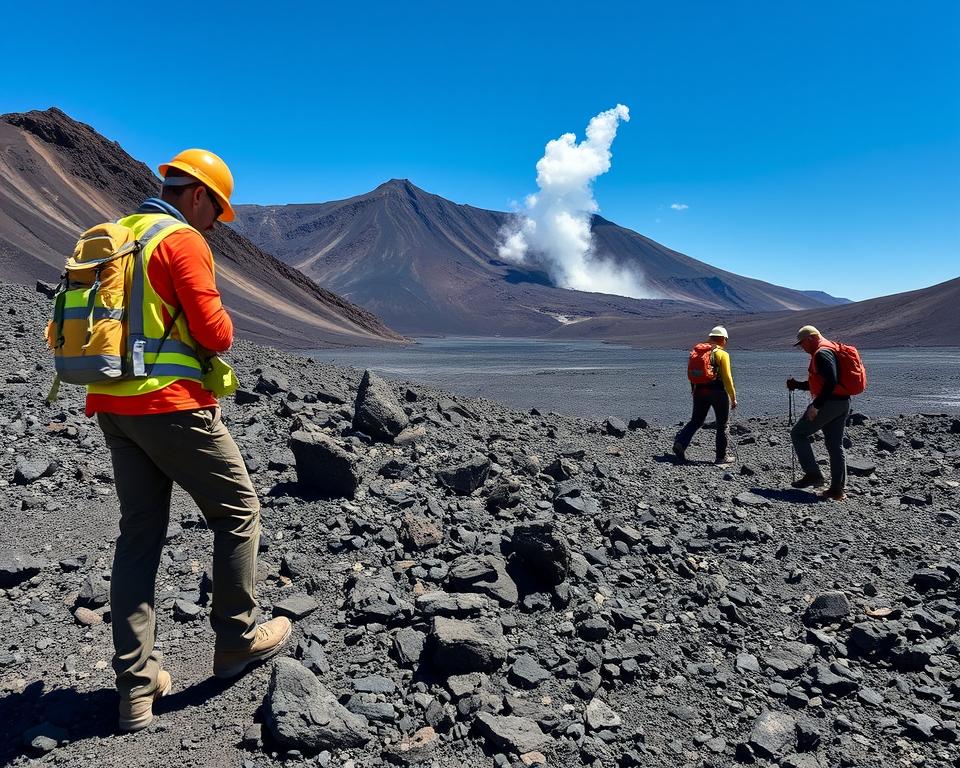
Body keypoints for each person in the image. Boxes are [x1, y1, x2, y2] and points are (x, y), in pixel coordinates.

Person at [87, 149, 291, 732]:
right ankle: (237, 640)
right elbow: (214, 334)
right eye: (216, 210)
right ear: (197, 194)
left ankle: (135, 689)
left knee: (139, 534)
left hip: (112, 407)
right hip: (171, 406)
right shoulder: (180, 240)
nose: (213, 224)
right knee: (239, 511)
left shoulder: (116, 232)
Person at [787, 325, 851, 501]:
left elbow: (830, 381)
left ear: (811, 338)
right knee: (834, 445)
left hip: (829, 404)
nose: (802, 348)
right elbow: (823, 382)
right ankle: (837, 490)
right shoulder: (830, 349)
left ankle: (813, 474)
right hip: (842, 402)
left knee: (798, 433)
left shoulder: (822, 353)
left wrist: (816, 406)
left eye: (802, 344)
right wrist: (798, 385)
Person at [673, 325, 738, 464]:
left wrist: (694, 391)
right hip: (718, 393)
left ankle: (680, 443)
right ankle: (721, 457)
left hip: (699, 391)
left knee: (696, 421)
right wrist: (733, 398)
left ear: (710, 337)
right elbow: (727, 378)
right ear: (723, 339)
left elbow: (692, 374)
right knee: (722, 425)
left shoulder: (699, 352)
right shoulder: (722, 354)